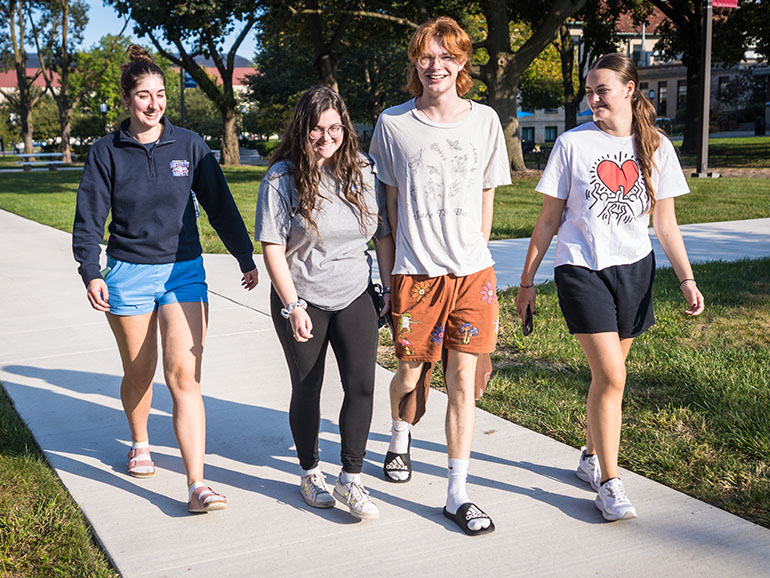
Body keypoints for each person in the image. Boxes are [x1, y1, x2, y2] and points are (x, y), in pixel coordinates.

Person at [515, 53, 705, 522]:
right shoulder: (572, 145)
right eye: (589, 89)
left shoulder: (656, 146)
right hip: (582, 269)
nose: (593, 98)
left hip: (634, 271)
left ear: (629, 90)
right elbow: (548, 220)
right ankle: (609, 482)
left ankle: (588, 455)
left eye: (602, 89)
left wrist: (686, 279)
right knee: (614, 377)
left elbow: (666, 223)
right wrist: (526, 282)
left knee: (608, 378)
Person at [72, 45, 259, 514]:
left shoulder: (190, 145)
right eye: (143, 95)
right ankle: (139, 441)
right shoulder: (105, 152)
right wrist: (90, 271)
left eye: (159, 95)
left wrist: (243, 255)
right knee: (140, 373)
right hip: (128, 273)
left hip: (184, 272)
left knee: (185, 376)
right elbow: (90, 218)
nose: (153, 104)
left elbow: (219, 203)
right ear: (127, 99)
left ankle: (197, 483)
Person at [369, 16, 511, 536]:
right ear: (415, 61)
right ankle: (399, 434)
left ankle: (457, 492)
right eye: (427, 57)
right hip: (416, 274)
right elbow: (386, 213)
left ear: (462, 63)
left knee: (463, 380)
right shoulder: (393, 124)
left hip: (473, 274)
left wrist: (477, 250)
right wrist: (388, 282)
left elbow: (488, 194)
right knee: (410, 373)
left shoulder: (485, 121)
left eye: (447, 57)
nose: (436, 66)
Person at [254, 85, 395, 521]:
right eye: (317, 128)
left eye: (335, 127)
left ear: (346, 129)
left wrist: (387, 289)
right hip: (303, 297)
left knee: (362, 386)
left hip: (354, 292)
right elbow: (273, 248)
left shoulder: (364, 171)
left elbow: (383, 235)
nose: (326, 136)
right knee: (308, 388)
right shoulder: (282, 178)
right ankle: (310, 471)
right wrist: (293, 305)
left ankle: (351, 479)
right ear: (302, 130)